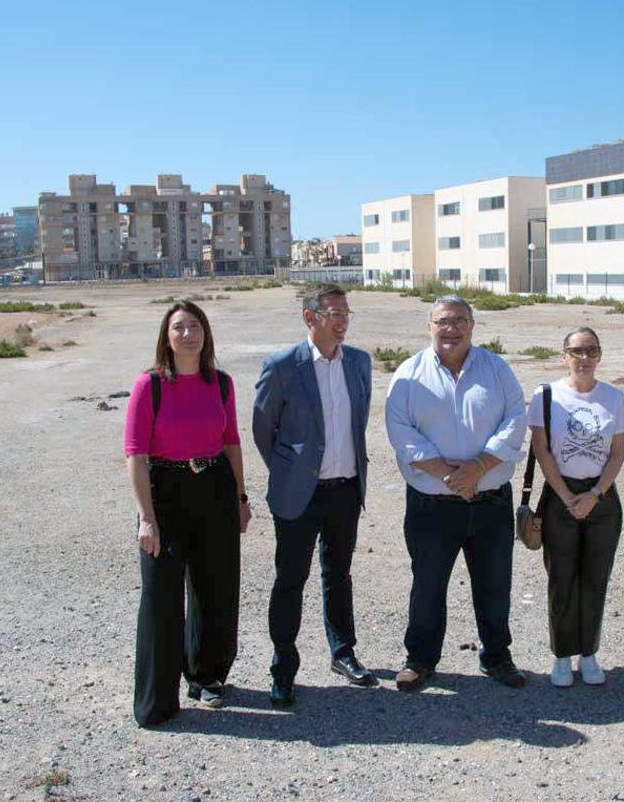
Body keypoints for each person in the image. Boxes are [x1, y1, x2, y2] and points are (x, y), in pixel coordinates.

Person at [385, 295, 528, 692]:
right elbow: (400, 431)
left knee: (494, 583)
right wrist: (450, 475)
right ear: (430, 326)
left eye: (460, 320)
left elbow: (516, 419)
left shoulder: (496, 369)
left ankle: (497, 656)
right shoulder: (409, 373)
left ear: (472, 325)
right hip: (432, 504)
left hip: (490, 501)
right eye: (443, 321)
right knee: (428, 584)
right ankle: (420, 660)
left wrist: (478, 467)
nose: (452, 328)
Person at [123, 300, 252, 727]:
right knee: (161, 598)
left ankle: (206, 677)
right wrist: (146, 518)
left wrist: (241, 498)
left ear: (205, 333)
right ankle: (158, 700)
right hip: (165, 493)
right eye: (178, 327)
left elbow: (231, 441)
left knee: (216, 589)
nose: (187, 334)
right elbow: (135, 455)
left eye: (194, 326)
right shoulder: (150, 385)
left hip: (214, 487)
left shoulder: (221, 383)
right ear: (167, 336)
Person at [252, 284, 376, 708]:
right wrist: (291, 471)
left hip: (345, 490)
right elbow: (263, 429)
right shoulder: (283, 366)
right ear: (310, 317)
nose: (342, 322)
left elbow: (358, 421)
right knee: (290, 579)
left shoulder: (359, 362)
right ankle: (283, 667)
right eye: (333, 313)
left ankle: (343, 653)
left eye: (346, 313)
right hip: (299, 495)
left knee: (338, 575)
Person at [528, 327, 624, 688]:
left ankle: (588, 653)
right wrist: (565, 495)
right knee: (561, 579)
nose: (584, 358)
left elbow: (618, 453)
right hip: (560, 497)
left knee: (594, 579)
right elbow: (542, 450)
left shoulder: (614, 399)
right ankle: (562, 655)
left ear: (599, 356)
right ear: (564, 356)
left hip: (601, 499)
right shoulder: (546, 397)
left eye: (591, 350)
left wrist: (594, 495)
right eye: (576, 351)